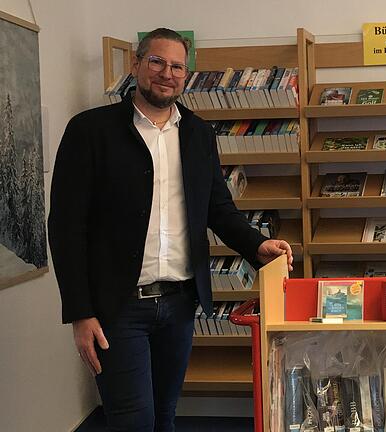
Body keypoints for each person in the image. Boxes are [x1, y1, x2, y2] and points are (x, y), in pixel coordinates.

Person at [48, 28, 293, 432]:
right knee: (134, 422)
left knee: (164, 417)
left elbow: (218, 209)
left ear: (186, 74)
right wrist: (79, 311)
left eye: (177, 66)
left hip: (179, 305)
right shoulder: (90, 131)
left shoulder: (197, 134)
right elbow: (65, 227)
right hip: (117, 308)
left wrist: (258, 244)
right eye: (157, 62)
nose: (167, 73)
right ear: (136, 65)